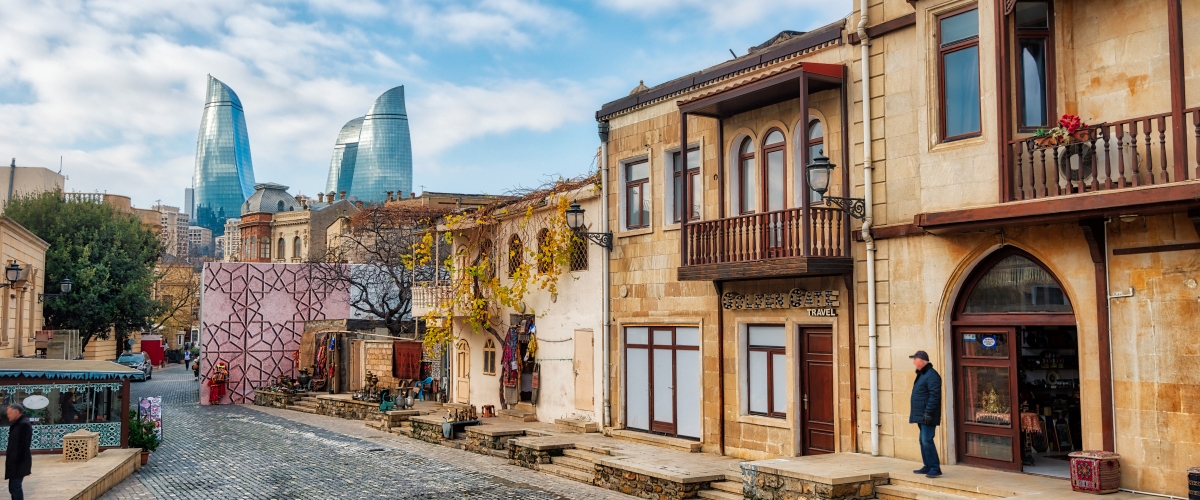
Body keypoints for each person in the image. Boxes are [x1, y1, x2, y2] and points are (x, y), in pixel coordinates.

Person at [909, 350, 943, 478]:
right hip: (921, 414)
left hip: (928, 415)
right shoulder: (923, 374)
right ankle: (928, 466)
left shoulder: (932, 375)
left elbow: (935, 396)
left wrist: (928, 412)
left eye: (915, 360)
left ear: (921, 361)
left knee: (926, 439)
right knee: (922, 440)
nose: (913, 362)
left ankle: (935, 467)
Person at [5, 404, 32, 500]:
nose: (8, 416)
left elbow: (23, 445)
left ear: (16, 412)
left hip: (19, 463)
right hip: (14, 462)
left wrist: (16, 460)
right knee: (13, 487)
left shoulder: (23, 424)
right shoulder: (17, 424)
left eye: (9, 413)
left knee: (15, 487)